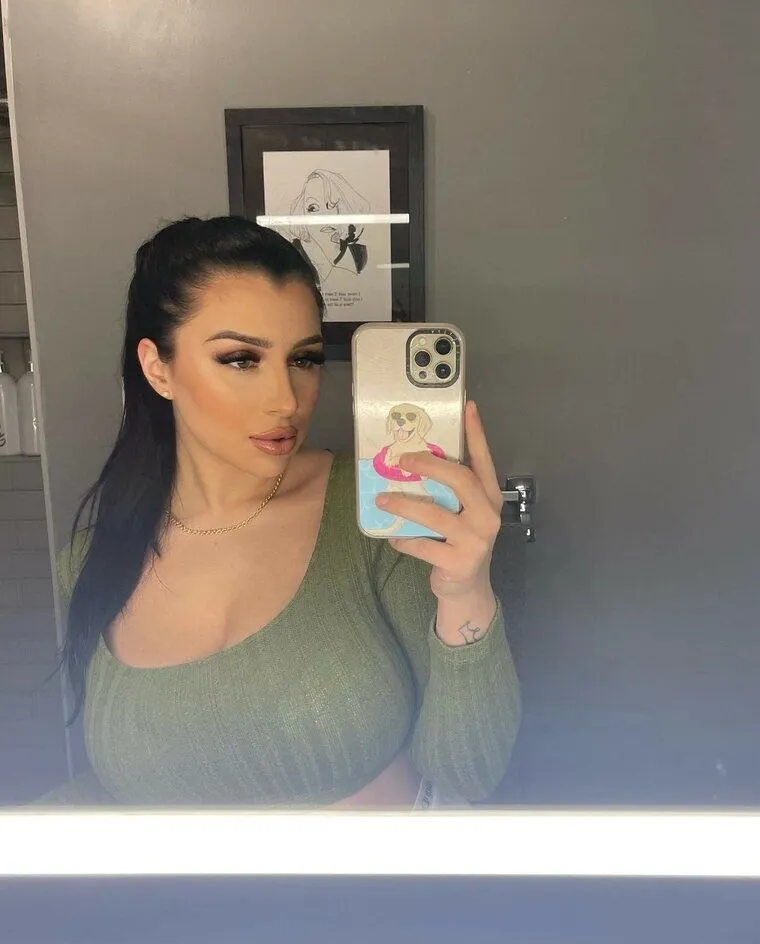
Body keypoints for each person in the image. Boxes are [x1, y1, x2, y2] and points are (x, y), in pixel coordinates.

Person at [35, 215, 521, 810]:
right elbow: (121, 790)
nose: (286, 400)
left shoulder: (379, 515)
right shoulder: (93, 559)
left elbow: (468, 773)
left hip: (386, 870)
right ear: (158, 367)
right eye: (241, 359)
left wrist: (467, 593)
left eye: (305, 359)